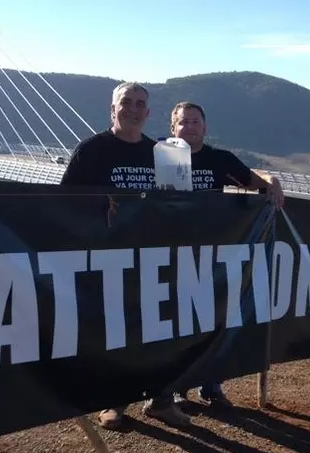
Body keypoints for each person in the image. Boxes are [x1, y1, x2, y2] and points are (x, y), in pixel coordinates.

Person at [141, 101, 284, 422]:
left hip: (212, 257)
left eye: (195, 121)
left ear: (204, 127)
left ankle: (211, 384)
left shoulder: (219, 159)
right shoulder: (160, 157)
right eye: (183, 122)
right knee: (173, 325)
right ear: (173, 129)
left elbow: (252, 180)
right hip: (169, 256)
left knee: (214, 319)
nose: (189, 127)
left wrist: (271, 179)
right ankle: (175, 387)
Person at [60, 81, 189, 430]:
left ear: (148, 113)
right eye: (125, 102)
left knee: (160, 330)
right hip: (108, 260)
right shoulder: (90, 151)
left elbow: (180, 206)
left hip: (155, 259)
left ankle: (160, 400)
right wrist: (99, 204)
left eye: (139, 103)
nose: (132, 109)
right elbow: (64, 205)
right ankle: (112, 402)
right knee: (113, 333)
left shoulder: (166, 154)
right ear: (112, 109)